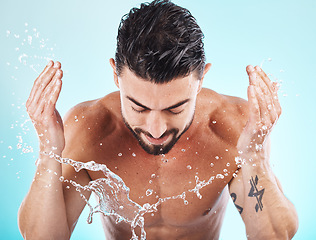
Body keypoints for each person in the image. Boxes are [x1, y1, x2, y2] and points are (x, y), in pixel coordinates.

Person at [18, 0, 298, 239]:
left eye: (174, 109)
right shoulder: (89, 129)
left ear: (200, 80)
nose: (156, 129)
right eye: (138, 107)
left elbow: (274, 235)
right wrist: (48, 153)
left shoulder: (233, 128)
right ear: (116, 75)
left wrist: (253, 157)